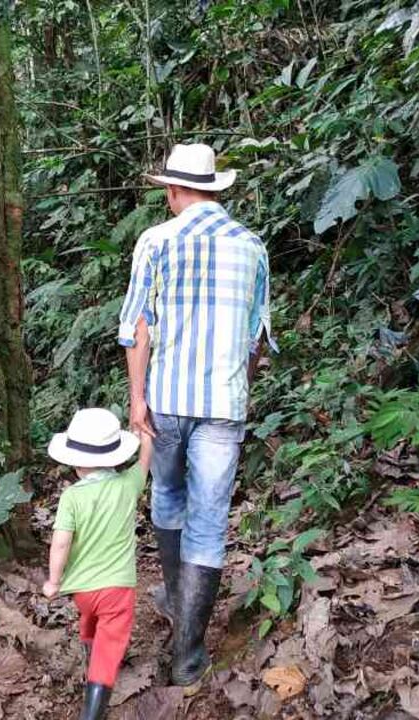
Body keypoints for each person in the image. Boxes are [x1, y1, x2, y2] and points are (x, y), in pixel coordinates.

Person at [117, 143, 275, 686]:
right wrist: (238, 389)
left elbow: (138, 326)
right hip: (222, 407)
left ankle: (176, 597)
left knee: (166, 495)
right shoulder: (252, 247)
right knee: (208, 522)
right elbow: (258, 338)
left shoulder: (157, 241)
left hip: (166, 399)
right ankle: (187, 656)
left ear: (173, 191)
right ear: (215, 189)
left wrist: (137, 399)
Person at [41, 408, 153, 720]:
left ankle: (91, 652)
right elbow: (145, 463)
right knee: (110, 645)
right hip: (117, 589)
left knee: (90, 620)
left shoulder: (71, 498)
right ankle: (92, 713)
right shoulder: (127, 485)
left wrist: (53, 580)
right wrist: (145, 436)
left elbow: (61, 542)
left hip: (83, 592)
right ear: (116, 455)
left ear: (75, 460)